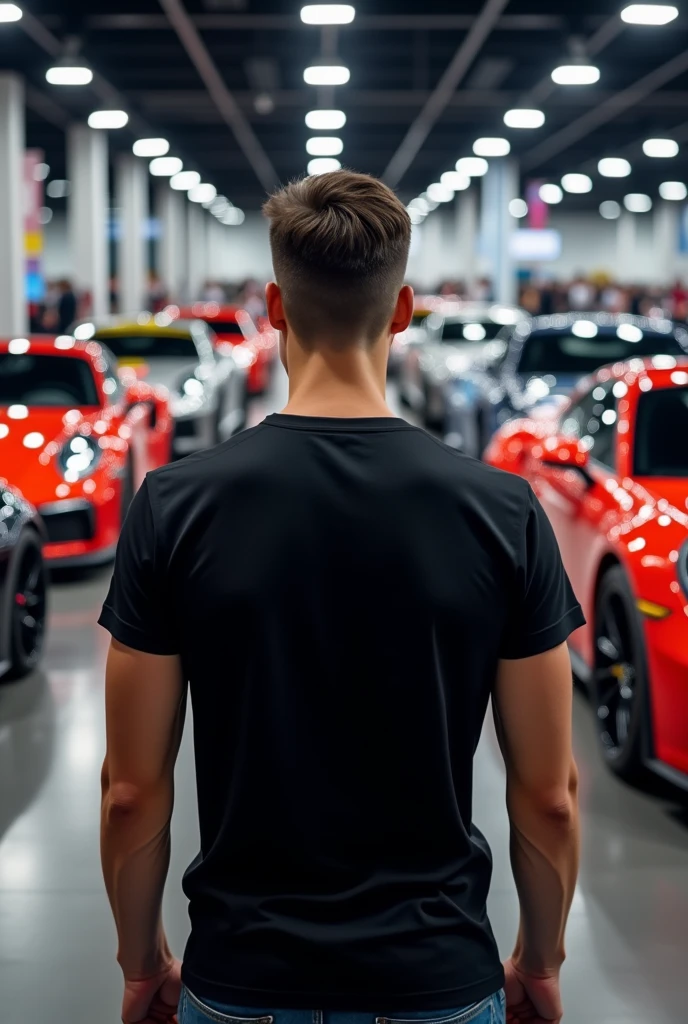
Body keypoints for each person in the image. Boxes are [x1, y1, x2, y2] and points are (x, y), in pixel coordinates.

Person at [99, 170, 582, 1024]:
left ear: (278, 309)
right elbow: (549, 794)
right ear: (401, 312)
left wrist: (143, 963)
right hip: (437, 978)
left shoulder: (174, 506)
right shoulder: (503, 511)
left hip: (241, 976)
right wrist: (539, 961)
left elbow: (133, 789)